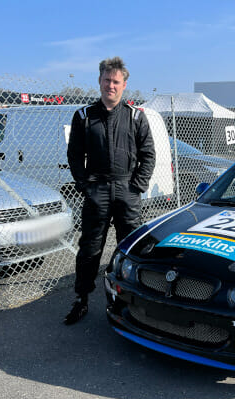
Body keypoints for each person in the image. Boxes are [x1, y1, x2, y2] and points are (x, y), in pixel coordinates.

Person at [64, 57, 156, 325]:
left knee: (131, 247)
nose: (111, 86)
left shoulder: (136, 116)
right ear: (100, 81)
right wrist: (85, 185)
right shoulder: (84, 116)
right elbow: (74, 155)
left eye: (116, 82)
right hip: (98, 190)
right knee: (90, 248)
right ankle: (81, 299)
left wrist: (136, 186)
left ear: (124, 85)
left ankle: (132, 300)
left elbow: (148, 155)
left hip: (127, 189)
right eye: (107, 80)